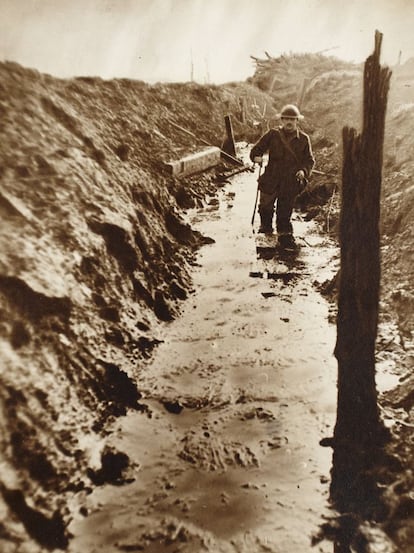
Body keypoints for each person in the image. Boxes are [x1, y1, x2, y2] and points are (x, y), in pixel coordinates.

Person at [250, 104, 315, 248]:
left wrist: (303, 171)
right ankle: (266, 236)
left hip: (290, 182)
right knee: (265, 208)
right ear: (281, 120)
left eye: (292, 119)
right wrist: (256, 157)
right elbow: (256, 150)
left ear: (297, 121)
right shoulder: (272, 135)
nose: (289, 122)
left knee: (284, 215)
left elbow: (309, 160)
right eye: (286, 119)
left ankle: (285, 245)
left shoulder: (304, 139)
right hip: (271, 178)